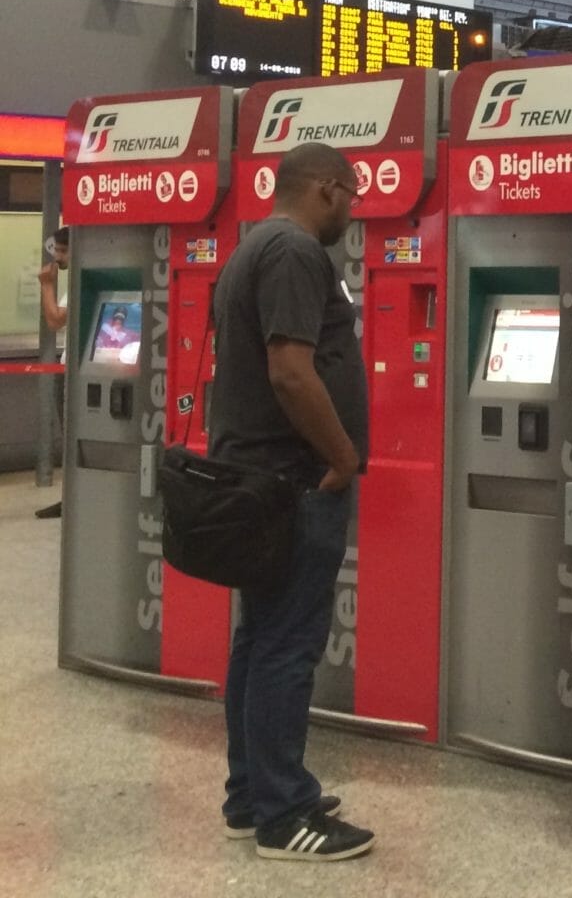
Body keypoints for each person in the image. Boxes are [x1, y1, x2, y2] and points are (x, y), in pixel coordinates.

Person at [211, 143, 374, 862]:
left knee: (259, 638)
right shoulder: (294, 254)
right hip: (293, 479)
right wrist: (343, 456)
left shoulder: (256, 245)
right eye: (353, 197)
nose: (354, 212)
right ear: (328, 190)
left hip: (264, 477)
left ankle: (254, 793)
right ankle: (284, 814)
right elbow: (291, 372)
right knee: (286, 645)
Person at [34, 226, 69, 521]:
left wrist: (46, 285)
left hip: (75, 374)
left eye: (62, 251)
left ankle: (73, 499)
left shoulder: (83, 279)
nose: (57, 258)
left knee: (72, 436)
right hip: (70, 368)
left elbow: (55, 319)